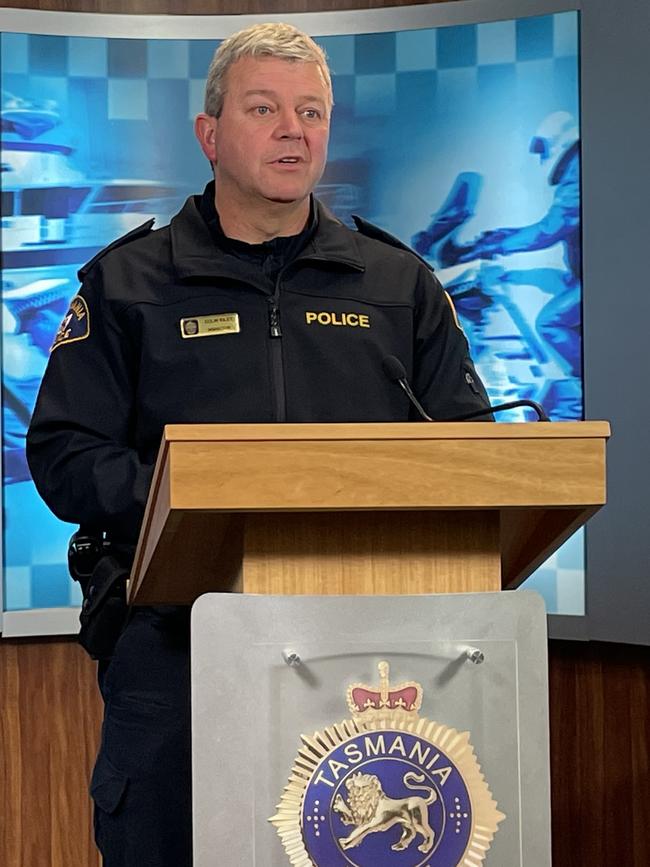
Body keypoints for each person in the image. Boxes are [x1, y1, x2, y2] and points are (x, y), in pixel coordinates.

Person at [26, 22, 492, 867]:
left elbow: (471, 450)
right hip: (179, 643)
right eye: (266, 108)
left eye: (311, 111)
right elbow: (63, 451)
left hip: (375, 643)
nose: (294, 129)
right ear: (210, 135)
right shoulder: (127, 283)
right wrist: (189, 507)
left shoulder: (398, 285)